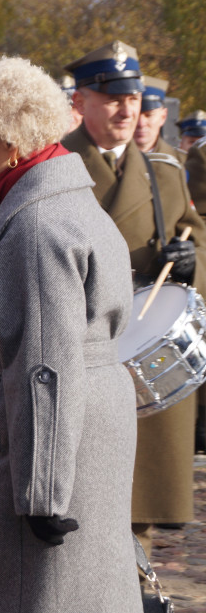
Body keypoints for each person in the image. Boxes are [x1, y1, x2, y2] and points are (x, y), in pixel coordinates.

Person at [0, 57, 141, 613]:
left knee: (35, 591)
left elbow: (45, 363)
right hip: (70, 422)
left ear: (14, 140)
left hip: (46, 434)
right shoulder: (55, 199)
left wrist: (43, 490)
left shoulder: (34, 224)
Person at [62, 41, 206, 560]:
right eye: (112, 97)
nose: (127, 109)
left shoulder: (162, 172)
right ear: (80, 102)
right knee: (73, 522)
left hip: (140, 369)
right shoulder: (53, 163)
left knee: (132, 522)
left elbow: (196, 237)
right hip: (78, 358)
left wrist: (192, 264)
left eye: (133, 98)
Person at [134, 76, 184, 163]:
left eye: (149, 115)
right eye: (135, 115)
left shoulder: (182, 163)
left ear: (163, 116)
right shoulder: (112, 160)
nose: (141, 123)